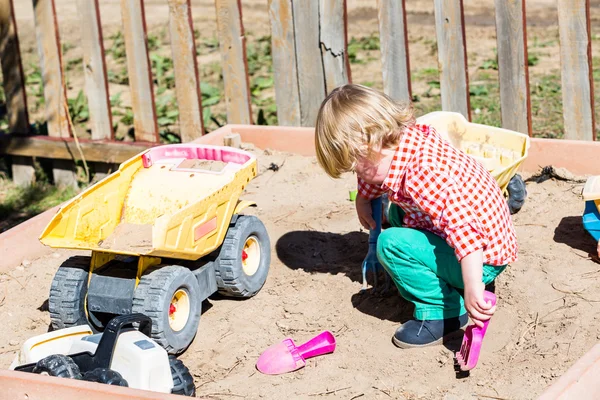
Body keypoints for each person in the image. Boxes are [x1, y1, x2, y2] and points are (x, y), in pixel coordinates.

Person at [314, 84, 518, 348]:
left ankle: (443, 313)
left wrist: (472, 286)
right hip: (483, 239)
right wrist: (364, 198)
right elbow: (377, 174)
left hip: (481, 256)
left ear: (373, 144)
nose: (357, 175)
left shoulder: (423, 173)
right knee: (398, 210)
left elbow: (465, 230)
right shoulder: (405, 140)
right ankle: (449, 278)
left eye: (356, 167)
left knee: (392, 244)